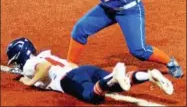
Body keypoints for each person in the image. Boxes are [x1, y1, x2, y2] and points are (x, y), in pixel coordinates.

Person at [6, 37, 173, 104]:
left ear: (20, 55)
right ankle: (149, 75)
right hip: (84, 70)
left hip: (68, 79)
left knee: (92, 96)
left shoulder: (30, 63)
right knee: (118, 86)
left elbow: (45, 68)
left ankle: (114, 76)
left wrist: (30, 81)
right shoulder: (45, 55)